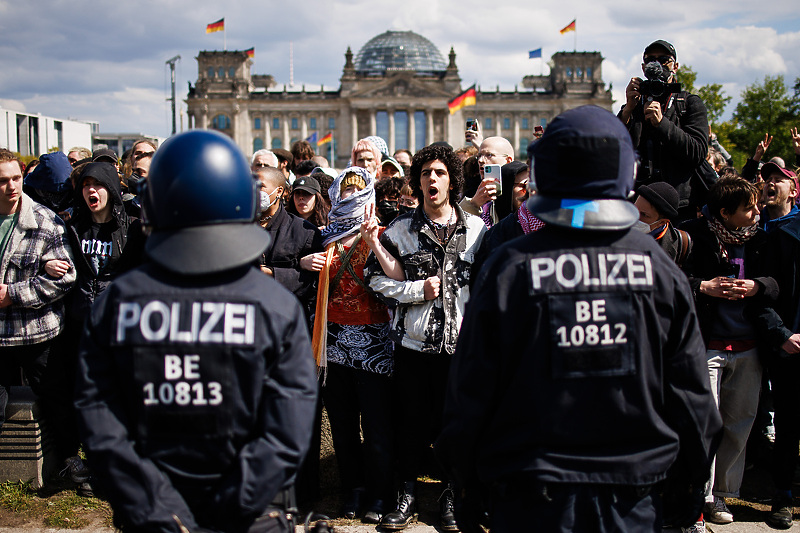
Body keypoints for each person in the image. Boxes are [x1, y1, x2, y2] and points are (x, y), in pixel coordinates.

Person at [436, 105, 721, 533]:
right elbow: (694, 399)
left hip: (533, 495)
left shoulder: (509, 267)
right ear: (628, 172)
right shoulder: (659, 269)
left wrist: (467, 488)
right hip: (631, 497)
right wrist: (690, 486)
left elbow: (470, 394)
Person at [73, 130, 318, 533]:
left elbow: (100, 423)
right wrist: (237, 502)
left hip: (153, 515)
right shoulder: (274, 306)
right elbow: (289, 428)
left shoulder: (117, 305)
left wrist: (158, 508)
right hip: (251, 513)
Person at [364, 143, 486, 531]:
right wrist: (417, 291)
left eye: (439, 173)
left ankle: (451, 497)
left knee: (455, 425)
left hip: (460, 349)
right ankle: (406, 496)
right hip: (414, 347)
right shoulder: (400, 230)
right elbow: (374, 279)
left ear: (452, 181)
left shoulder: (478, 231)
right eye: (425, 174)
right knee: (411, 426)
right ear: (417, 182)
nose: (432, 179)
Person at [680, 176, 777, 525]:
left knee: (738, 425)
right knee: (706, 425)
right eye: (748, 207)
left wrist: (757, 286)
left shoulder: (762, 239)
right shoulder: (691, 235)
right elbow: (672, 276)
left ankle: (722, 496)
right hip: (707, 345)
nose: (756, 211)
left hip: (749, 347)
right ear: (724, 213)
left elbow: (778, 283)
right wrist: (704, 287)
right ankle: (699, 496)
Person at [305, 166, 397, 524]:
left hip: (374, 344)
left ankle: (379, 492)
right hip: (333, 345)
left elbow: (396, 277)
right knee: (342, 426)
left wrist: (373, 241)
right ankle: (352, 490)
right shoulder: (323, 236)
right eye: (345, 190)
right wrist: (302, 262)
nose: (350, 196)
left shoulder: (382, 234)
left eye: (358, 190)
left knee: (376, 425)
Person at [58, 162, 145, 490]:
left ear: (111, 187)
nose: (91, 191)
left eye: (98, 185)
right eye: (85, 186)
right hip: (82, 326)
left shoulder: (133, 229)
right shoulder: (72, 227)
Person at [0, 149, 76, 439]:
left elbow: (65, 278)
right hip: (0, 336)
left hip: (37, 333)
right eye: (3, 180)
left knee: (57, 401)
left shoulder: (45, 221)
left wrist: (13, 294)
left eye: (17, 178)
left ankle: (71, 460)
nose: (12, 186)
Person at [618, 40, 712, 221]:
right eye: (651, 60)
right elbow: (614, 151)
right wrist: (627, 112)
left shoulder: (690, 103)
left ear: (675, 66)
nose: (657, 65)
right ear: (643, 67)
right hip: (637, 205)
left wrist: (662, 124)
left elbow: (698, 152)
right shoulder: (634, 106)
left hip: (678, 208)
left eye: (664, 59)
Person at [757, 211, 800, 529]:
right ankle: (782, 498)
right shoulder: (784, 236)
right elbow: (765, 294)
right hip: (792, 351)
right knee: (788, 429)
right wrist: (782, 335)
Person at [255, 166, 322, 320]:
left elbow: (313, 283)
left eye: (261, 186)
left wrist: (272, 274)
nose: (255, 191)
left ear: (279, 191)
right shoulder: (240, 226)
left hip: (286, 319)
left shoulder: (305, 232)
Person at [633, 181, 692, 265]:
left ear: (662, 222)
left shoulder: (679, 245)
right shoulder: (613, 231)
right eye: (634, 208)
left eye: (644, 215)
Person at [759, 162, 798, 232]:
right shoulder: (753, 223)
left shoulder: (797, 227)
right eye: (768, 181)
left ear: (792, 192)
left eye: (778, 180)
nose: (770, 183)